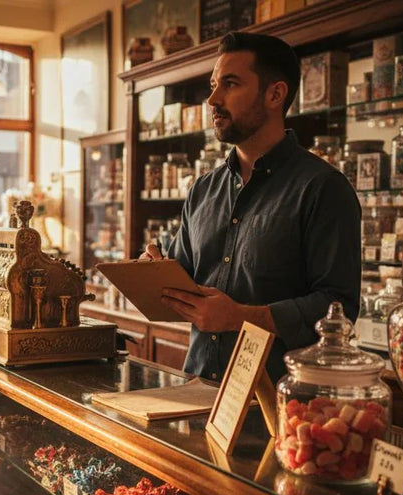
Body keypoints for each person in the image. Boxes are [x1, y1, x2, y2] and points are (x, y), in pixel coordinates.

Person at [142, 32, 361, 384]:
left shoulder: (323, 188)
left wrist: (240, 317)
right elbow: (183, 284)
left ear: (275, 94)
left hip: (277, 406)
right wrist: (155, 274)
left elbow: (339, 308)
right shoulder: (202, 189)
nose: (212, 99)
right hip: (197, 391)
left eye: (230, 84)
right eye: (213, 85)